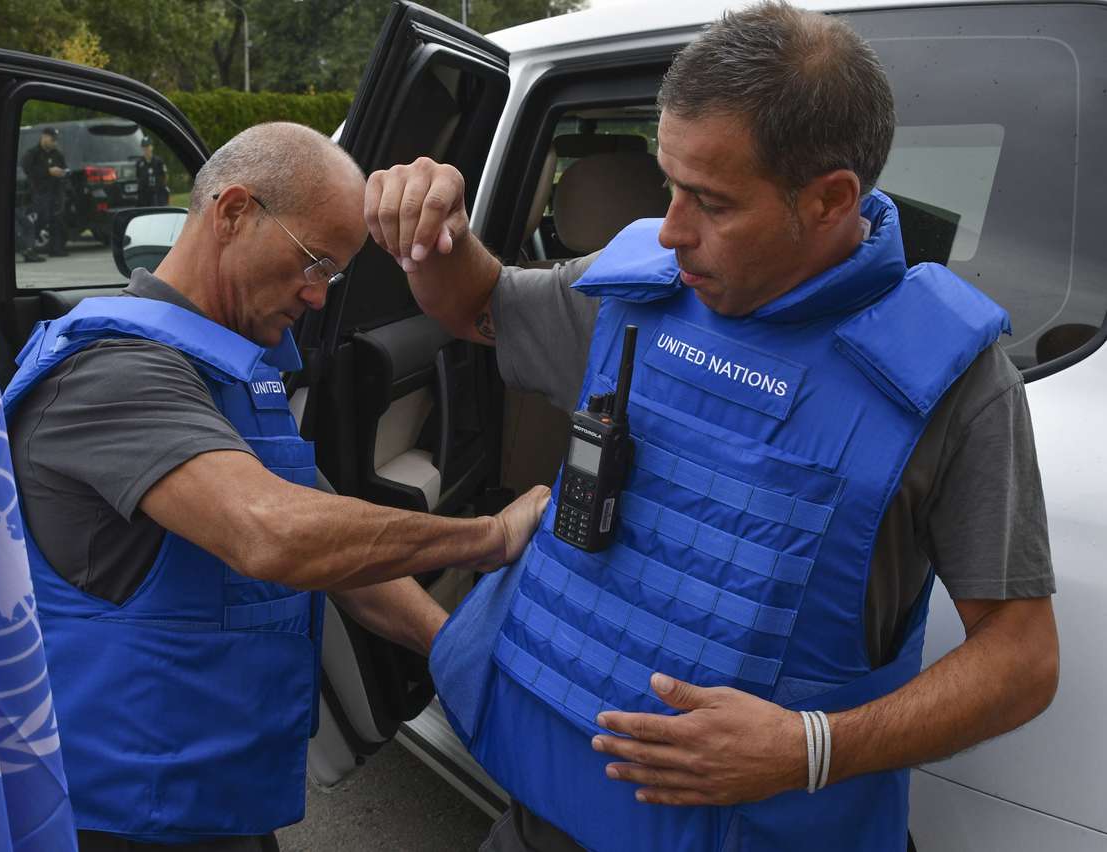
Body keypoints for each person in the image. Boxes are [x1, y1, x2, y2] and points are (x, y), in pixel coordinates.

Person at [365, 3, 1059, 850]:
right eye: (670, 183)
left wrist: (811, 749)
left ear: (831, 200)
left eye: (711, 202)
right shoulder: (642, 289)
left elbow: (1022, 657)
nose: (670, 228)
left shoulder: (951, 384)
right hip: (538, 820)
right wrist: (433, 235)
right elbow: (480, 305)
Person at [2, 121, 549, 852]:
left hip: (210, 797)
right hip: (118, 814)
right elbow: (277, 535)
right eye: (314, 262)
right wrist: (488, 537)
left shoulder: (229, 364)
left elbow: (334, 543)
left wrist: (453, 650)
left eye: (334, 274)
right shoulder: (114, 372)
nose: (319, 297)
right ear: (233, 213)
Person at [20, 126, 69, 257]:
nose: (54, 143)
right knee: (41, 219)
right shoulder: (33, 154)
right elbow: (28, 169)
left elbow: (64, 168)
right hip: (39, 192)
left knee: (56, 219)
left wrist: (63, 173)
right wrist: (48, 171)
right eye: (52, 140)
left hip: (55, 191)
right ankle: (28, 247)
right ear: (44, 137)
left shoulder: (57, 154)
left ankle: (56, 249)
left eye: (56, 140)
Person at [136, 135, 170, 207]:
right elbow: (138, 177)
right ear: (142, 148)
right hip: (144, 195)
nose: (146, 149)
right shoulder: (139, 163)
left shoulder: (159, 161)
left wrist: (161, 187)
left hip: (157, 194)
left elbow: (165, 176)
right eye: (144, 147)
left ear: (152, 147)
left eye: (148, 146)